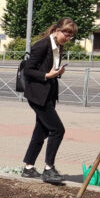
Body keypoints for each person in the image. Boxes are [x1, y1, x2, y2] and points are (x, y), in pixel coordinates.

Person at [20, 17, 77, 184]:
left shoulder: (58, 47)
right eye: (66, 34)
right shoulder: (42, 45)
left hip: (48, 94)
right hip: (38, 95)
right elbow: (28, 70)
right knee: (58, 130)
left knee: (41, 131)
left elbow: (50, 67)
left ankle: (28, 168)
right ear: (57, 30)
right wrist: (47, 75)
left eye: (71, 36)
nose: (68, 38)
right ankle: (48, 168)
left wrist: (57, 73)